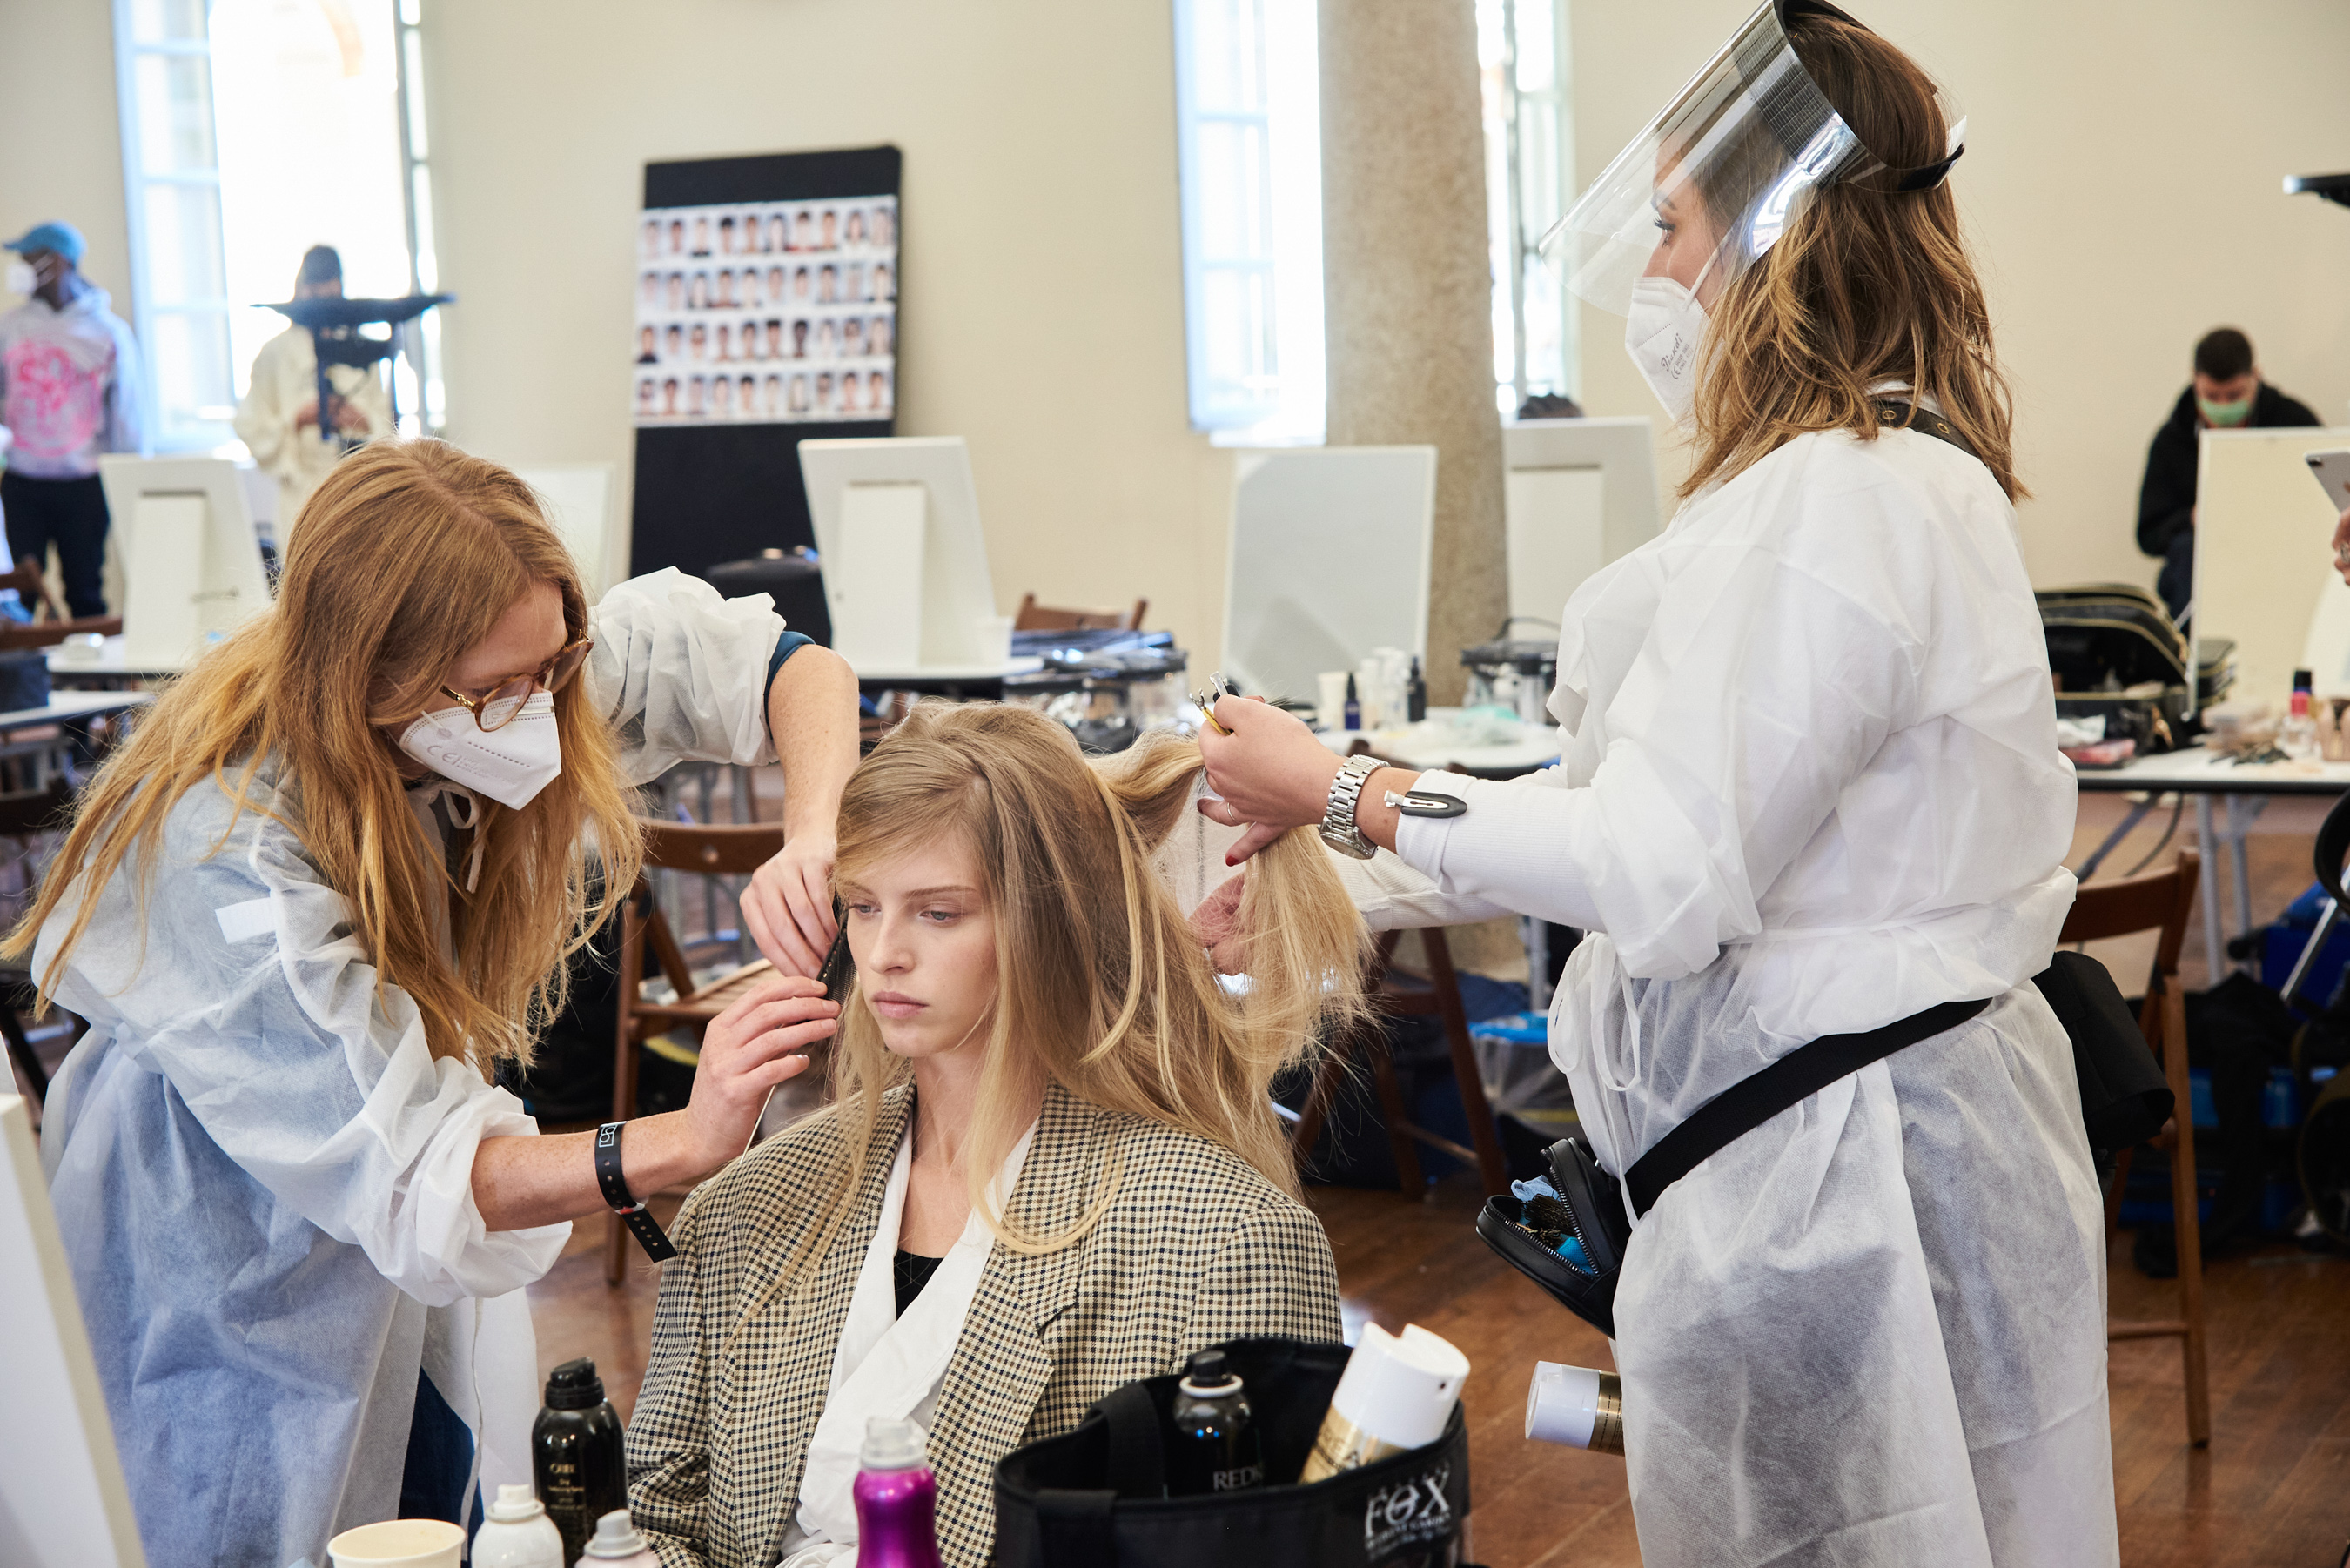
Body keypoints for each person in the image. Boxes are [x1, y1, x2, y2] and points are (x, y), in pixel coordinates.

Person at [1196, 5, 2115, 1565]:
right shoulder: (1849, 488)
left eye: (1677, 227)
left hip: (1844, 1191)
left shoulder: (1844, 503)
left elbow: (1658, 866)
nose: (1655, 273)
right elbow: (1610, 800)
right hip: (1817, 1168)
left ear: (1779, 235)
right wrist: (1338, 855)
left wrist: (1343, 782)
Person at [10, 439, 864, 1567]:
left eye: (554, 670)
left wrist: (817, 832)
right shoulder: (219, 851)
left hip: (416, 1237)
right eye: (490, 690)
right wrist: (683, 1138)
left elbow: (785, 665)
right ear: (366, 672)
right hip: (220, 1262)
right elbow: (419, 1168)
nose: (534, 714)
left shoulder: (525, 669)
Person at [626, 706, 1353, 1567]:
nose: (885, 952)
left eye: (938, 912)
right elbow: (659, 1513)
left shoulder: (1222, 1242)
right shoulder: (743, 1209)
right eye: (862, 905)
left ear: (1052, 921)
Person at [0, 219, 147, 617]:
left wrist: (130, 484)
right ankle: (22, 679)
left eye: (29, 257)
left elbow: (127, 417)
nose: (22, 266)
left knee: (85, 591)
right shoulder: (10, 328)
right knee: (17, 595)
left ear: (58, 262)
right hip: (22, 484)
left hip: (83, 486)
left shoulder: (108, 333)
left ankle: (92, 679)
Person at [2138, 326, 2319, 623]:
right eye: (2211, 395)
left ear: (2255, 377)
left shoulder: (2295, 425)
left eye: (2234, 395)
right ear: (2194, 380)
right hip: (2203, 566)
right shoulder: (2171, 441)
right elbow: (2148, 535)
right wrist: (2193, 518)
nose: (2222, 406)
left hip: (2282, 554)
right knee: (2185, 552)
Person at [234, 247, 396, 539]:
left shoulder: (359, 350)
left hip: (358, 496)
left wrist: (362, 421)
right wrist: (296, 419)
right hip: (301, 496)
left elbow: (387, 426)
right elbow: (250, 425)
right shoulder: (275, 354)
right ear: (303, 289)